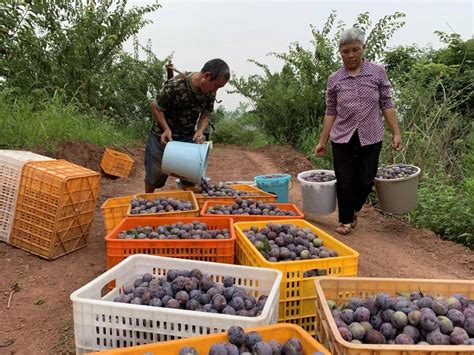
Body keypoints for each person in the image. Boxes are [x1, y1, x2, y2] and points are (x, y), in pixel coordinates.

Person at [314, 28, 402, 235]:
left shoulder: (377, 72)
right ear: (340, 52)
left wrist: (396, 133)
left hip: (370, 134)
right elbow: (331, 111)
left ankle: (353, 209)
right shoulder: (334, 79)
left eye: (355, 49)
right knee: (344, 179)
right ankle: (345, 220)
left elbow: (386, 103)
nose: (351, 55)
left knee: (365, 179)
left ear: (363, 49)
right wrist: (322, 141)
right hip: (342, 135)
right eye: (346, 51)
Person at [145, 58, 229, 193]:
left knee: (190, 174)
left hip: (186, 135)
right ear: (207, 76)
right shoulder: (176, 85)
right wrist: (166, 129)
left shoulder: (209, 92)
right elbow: (155, 106)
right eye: (217, 86)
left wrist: (200, 130)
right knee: (154, 176)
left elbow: (206, 113)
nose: (216, 90)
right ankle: (146, 201)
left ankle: (190, 203)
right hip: (161, 135)